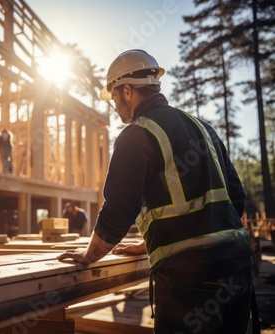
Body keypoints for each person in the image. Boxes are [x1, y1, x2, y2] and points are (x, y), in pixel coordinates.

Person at [58, 49, 258, 333]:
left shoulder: (135, 135)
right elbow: (235, 201)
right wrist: (148, 243)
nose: (114, 106)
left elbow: (118, 209)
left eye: (114, 97)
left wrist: (89, 256)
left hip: (189, 281)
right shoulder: (204, 129)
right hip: (238, 269)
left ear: (127, 90)